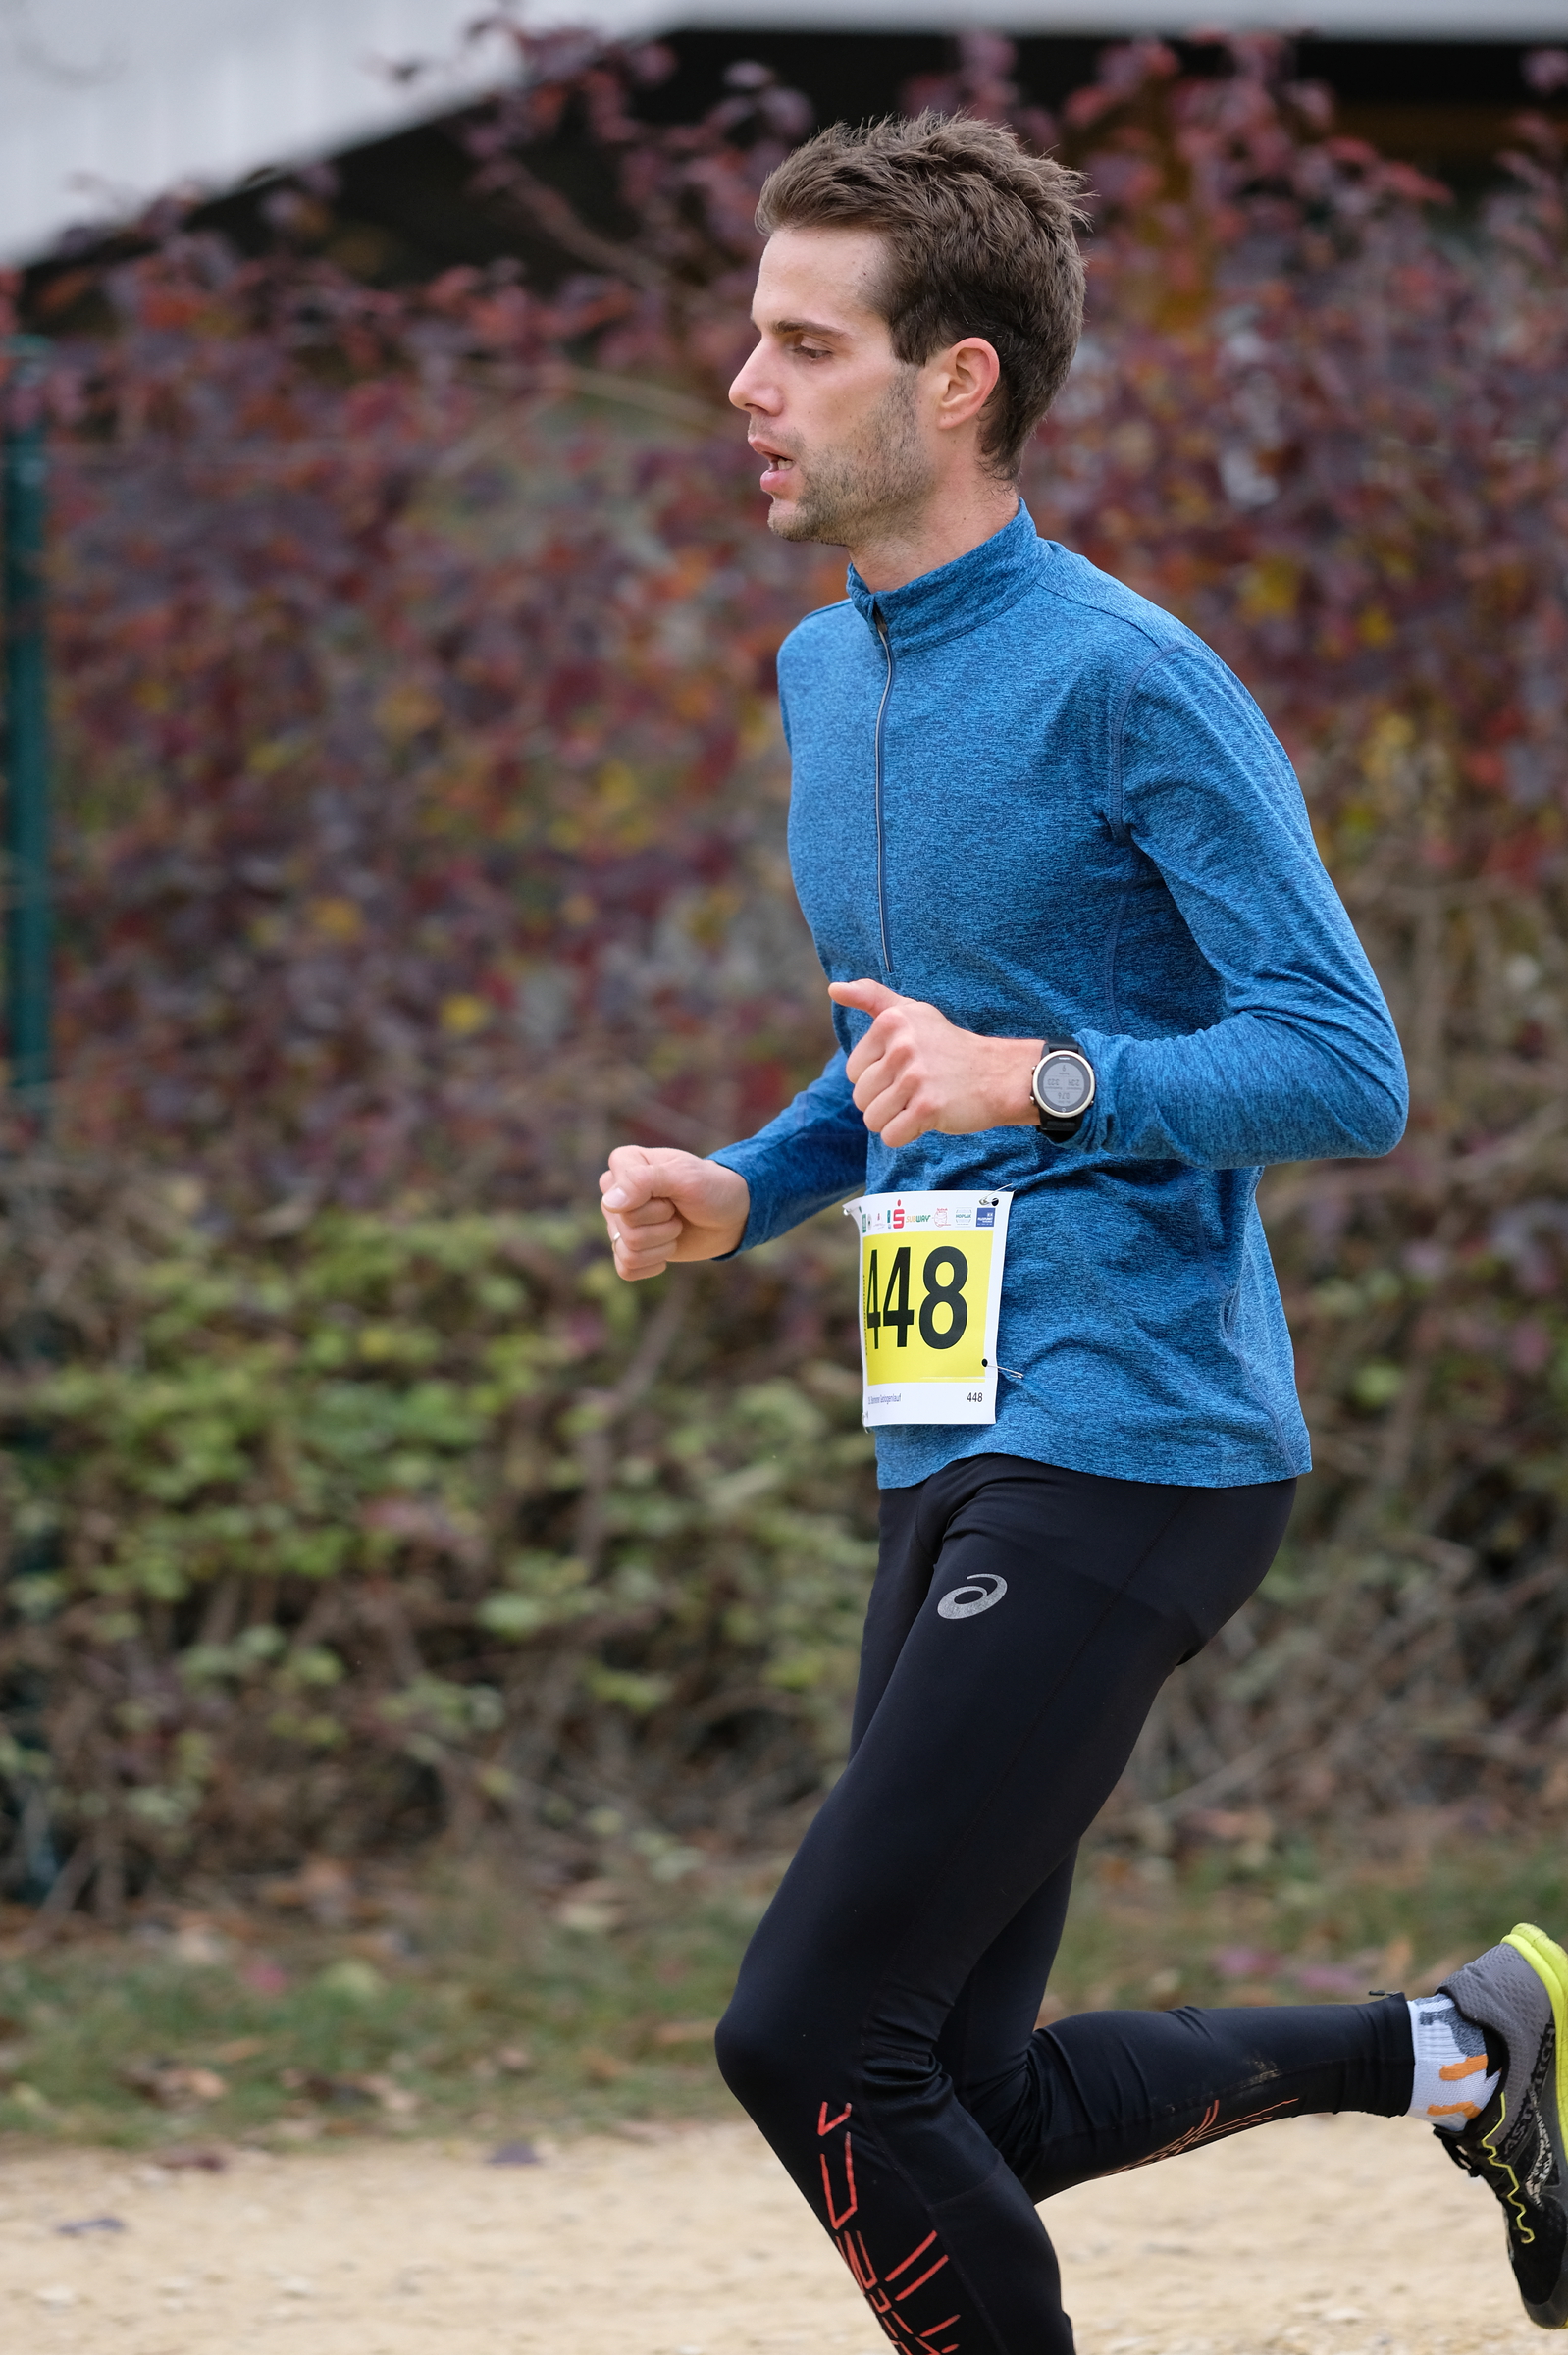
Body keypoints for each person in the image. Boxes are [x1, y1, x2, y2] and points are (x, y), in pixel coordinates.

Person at [596, 112, 1568, 2354]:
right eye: (751, 334)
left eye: (802, 343)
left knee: (808, 2039)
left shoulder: (1124, 676)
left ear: (954, 380)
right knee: (956, 2090)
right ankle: (1470, 2052)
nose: (743, 384)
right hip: (942, 1435)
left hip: (1132, 1437)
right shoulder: (823, 671)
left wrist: (1045, 1084)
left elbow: (1340, 1063)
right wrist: (750, 1184)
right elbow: (900, 1047)